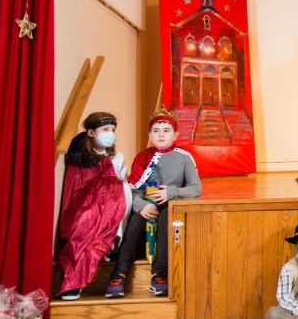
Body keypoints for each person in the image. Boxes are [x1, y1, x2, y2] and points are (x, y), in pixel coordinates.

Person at [106, 108, 200, 298]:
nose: (161, 135)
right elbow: (133, 189)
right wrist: (141, 205)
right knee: (135, 219)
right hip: (146, 203)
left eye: (166, 130)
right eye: (156, 131)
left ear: (175, 135)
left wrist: (172, 192)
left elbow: (195, 188)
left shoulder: (184, 157)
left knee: (167, 220)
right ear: (150, 135)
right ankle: (119, 272)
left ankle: (160, 273)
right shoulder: (143, 157)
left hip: (171, 203)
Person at [56, 112, 128, 301]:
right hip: (84, 205)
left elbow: (120, 184)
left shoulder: (116, 157)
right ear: (91, 132)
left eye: (113, 130)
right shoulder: (78, 157)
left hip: (111, 204)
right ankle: (73, 281)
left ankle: (111, 241)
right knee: (81, 230)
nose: (110, 133)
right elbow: (75, 187)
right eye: (105, 129)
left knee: (119, 195)